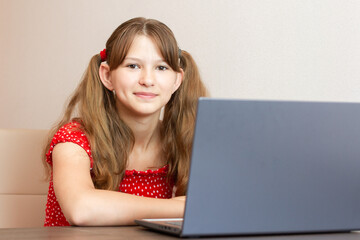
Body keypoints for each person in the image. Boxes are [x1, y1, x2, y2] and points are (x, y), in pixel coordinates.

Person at [42, 17, 208, 226]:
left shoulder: (182, 140)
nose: (147, 80)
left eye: (162, 68)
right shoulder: (73, 139)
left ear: (177, 80)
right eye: (133, 66)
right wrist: (183, 207)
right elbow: (81, 209)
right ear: (107, 76)